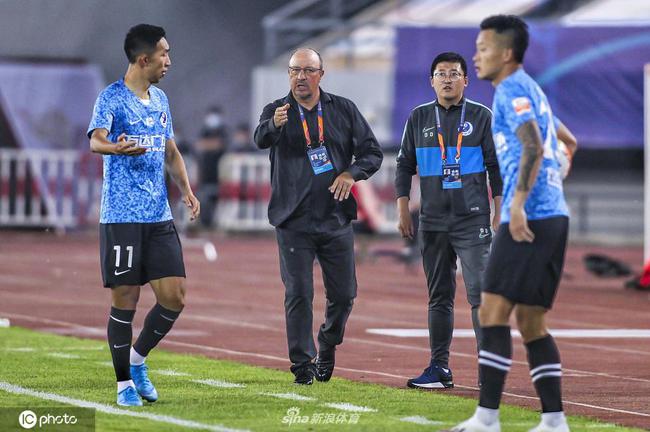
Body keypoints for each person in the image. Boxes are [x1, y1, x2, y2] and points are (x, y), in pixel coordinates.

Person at [450, 15, 576, 432]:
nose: (476, 56)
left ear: (505, 54)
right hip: (553, 215)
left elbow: (533, 145)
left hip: (530, 217)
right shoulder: (532, 88)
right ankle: (554, 422)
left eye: (483, 49)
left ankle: (487, 418)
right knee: (531, 322)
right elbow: (567, 141)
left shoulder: (510, 90)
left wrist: (517, 204)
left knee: (492, 310)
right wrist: (560, 169)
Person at [254, 48, 383, 385]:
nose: (300, 77)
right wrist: (273, 124)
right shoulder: (277, 111)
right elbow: (260, 138)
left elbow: (372, 152)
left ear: (321, 75)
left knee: (344, 295)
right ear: (288, 74)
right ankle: (302, 365)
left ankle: (328, 341)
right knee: (298, 293)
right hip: (292, 220)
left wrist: (351, 174)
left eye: (308, 70)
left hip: (335, 218)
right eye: (294, 70)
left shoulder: (343, 109)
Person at [88, 24, 200, 407]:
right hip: (121, 217)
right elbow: (96, 140)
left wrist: (186, 190)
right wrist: (115, 148)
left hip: (158, 216)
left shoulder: (161, 99)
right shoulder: (112, 98)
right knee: (126, 299)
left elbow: (170, 151)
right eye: (163, 54)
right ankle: (123, 384)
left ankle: (137, 360)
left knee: (175, 297)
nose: (169, 60)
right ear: (143, 59)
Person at [396, 52, 502, 389]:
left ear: (465, 81)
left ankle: (489, 371)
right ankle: (439, 368)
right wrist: (402, 208)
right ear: (431, 81)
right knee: (439, 297)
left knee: (480, 295)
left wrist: (499, 209)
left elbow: (496, 166)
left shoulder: (482, 116)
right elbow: (404, 165)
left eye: (454, 73)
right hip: (432, 221)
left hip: (473, 220)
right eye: (440, 73)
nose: (447, 79)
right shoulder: (419, 117)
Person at [195, 106, 228, 228]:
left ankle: (213, 223)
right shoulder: (204, 131)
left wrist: (207, 144)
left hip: (218, 175)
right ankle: (205, 223)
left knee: (217, 201)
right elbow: (198, 145)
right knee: (204, 199)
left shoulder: (223, 131)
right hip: (205, 173)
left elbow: (220, 145)